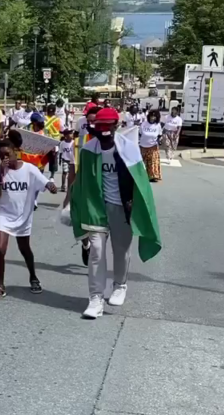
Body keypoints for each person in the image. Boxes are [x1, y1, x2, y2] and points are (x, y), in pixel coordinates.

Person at [65, 107, 162, 319]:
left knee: (121, 251)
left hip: (122, 207)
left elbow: (141, 184)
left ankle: (120, 285)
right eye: (99, 127)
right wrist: (70, 205)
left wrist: (139, 210)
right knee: (96, 251)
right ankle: (95, 298)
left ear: (116, 126)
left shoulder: (129, 149)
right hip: (97, 208)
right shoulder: (88, 150)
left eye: (107, 127)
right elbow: (81, 183)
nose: (103, 132)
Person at [0, 130, 59, 298]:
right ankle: (0, 286)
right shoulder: (0, 170)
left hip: (23, 216)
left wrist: (51, 186)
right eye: (1, 156)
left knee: (25, 249)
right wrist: (1, 175)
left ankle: (33, 276)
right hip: (4, 214)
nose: (5, 158)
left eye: (7, 154)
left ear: (15, 151)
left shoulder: (29, 169)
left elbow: (46, 183)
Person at [139, 110, 163, 182]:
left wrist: (159, 141)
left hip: (153, 146)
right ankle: (141, 176)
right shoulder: (144, 124)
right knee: (142, 162)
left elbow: (159, 135)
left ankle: (153, 176)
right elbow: (139, 134)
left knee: (152, 162)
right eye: (151, 116)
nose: (152, 118)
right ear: (149, 116)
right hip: (143, 146)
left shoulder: (157, 125)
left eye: (154, 116)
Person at [59, 128, 76, 193]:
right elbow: (60, 152)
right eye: (70, 133)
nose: (71, 135)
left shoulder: (74, 142)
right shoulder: (62, 143)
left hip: (72, 161)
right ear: (65, 135)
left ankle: (72, 186)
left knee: (72, 174)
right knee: (64, 172)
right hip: (65, 159)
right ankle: (63, 185)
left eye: (72, 133)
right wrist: (60, 160)